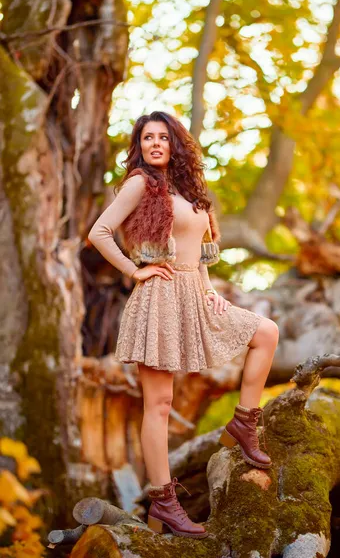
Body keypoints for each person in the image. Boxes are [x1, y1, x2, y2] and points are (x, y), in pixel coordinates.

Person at [88, 111, 279, 539]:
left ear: (176, 143)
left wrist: (210, 287)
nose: (155, 144)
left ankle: (245, 423)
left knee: (265, 332)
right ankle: (164, 502)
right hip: (158, 297)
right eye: (147, 138)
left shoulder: (191, 189)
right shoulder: (140, 183)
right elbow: (99, 232)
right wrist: (134, 270)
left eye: (163, 137)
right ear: (140, 147)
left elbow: (202, 249)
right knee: (158, 404)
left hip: (195, 293)